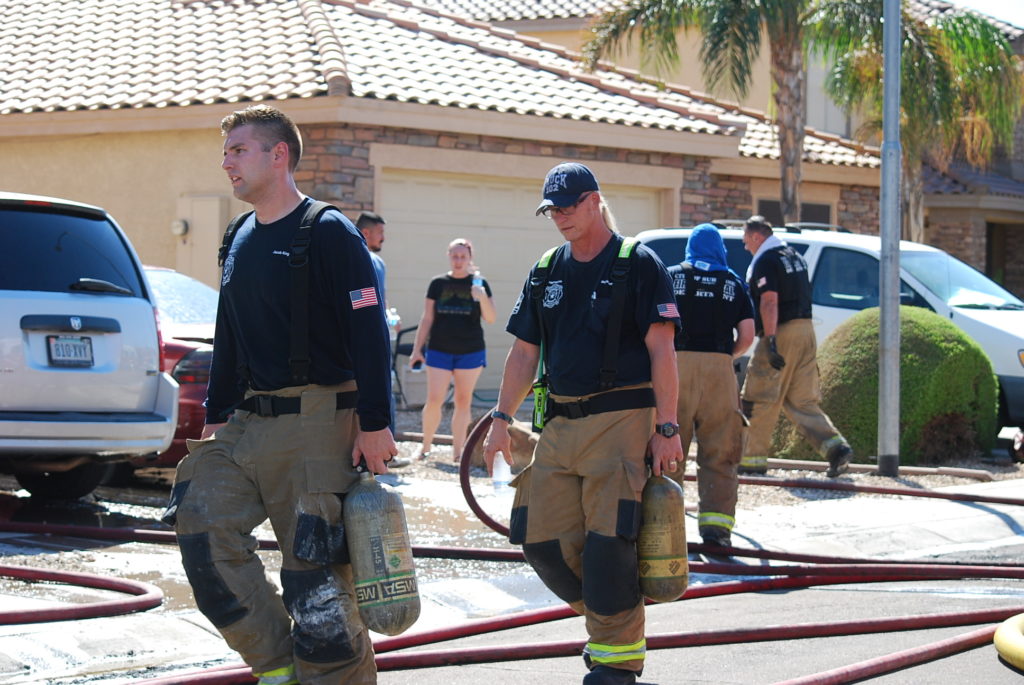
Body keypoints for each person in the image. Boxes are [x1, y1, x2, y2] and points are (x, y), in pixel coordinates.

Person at [161, 104, 397, 685]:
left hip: (319, 422)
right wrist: (217, 415)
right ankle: (277, 666)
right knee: (201, 527)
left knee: (316, 583)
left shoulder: (329, 231)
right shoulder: (238, 235)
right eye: (226, 153)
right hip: (247, 422)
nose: (227, 163)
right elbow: (229, 332)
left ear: (278, 155)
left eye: (238, 151)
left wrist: (375, 423)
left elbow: (369, 331)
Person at [483, 162, 683, 685]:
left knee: (608, 543)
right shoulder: (546, 268)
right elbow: (524, 353)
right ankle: (611, 620)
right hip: (559, 424)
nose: (560, 217)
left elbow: (662, 351)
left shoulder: (638, 263)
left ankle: (617, 660)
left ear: (595, 201)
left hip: (621, 420)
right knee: (539, 538)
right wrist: (501, 419)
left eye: (569, 206)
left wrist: (667, 428)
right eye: (552, 209)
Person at [739, 215, 853, 478]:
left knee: (758, 397)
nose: (745, 247)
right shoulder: (794, 256)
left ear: (757, 236)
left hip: (781, 332)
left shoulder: (766, 261)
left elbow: (769, 301)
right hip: (805, 331)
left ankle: (751, 460)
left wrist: (770, 340)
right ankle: (836, 448)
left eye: (746, 241)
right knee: (800, 400)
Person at [665, 224, 754, 549]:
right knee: (720, 451)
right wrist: (724, 357)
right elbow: (747, 335)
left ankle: (666, 529)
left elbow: (655, 325)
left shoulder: (671, 276)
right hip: (720, 370)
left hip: (674, 368)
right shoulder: (733, 282)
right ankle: (716, 530)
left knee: (668, 448)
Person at [408, 238, 496, 462]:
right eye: (455, 256)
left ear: (470, 258)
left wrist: (482, 297)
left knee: (463, 401)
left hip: (471, 351)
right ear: (448, 256)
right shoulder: (437, 283)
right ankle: (425, 447)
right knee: (434, 399)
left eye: (463, 257)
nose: (458, 260)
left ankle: (458, 452)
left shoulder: (480, 283)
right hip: (439, 349)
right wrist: (417, 349)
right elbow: (427, 318)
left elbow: (491, 317)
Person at [355, 211, 388, 305]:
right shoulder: (352, 261)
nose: (383, 238)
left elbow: (382, 299)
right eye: (380, 232)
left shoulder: (379, 262)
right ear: (366, 233)